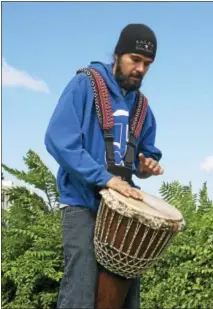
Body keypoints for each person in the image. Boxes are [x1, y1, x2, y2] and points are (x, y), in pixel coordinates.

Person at [45, 23, 164, 308]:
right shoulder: (85, 84)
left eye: (147, 64)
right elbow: (59, 140)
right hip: (82, 202)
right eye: (134, 60)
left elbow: (145, 152)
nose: (141, 69)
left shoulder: (142, 106)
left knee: (125, 295)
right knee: (81, 289)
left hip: (122, 208)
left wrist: (147, 165)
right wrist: (105, 178)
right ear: (118, 54)